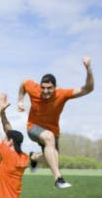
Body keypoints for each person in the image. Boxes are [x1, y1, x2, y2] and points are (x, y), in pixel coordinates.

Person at [18, 57, 94, 189]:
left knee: (52, 158)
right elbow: (24, 83)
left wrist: (88, 69)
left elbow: (88, 89)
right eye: (43, 88)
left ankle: (34, 157)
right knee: (49, 137)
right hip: (33, 128)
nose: (45, 91)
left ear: (55, 87)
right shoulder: (33, 88)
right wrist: (20, 100)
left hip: (53, 130)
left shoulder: (62, 94)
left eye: (49, 88)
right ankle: (58, 179)